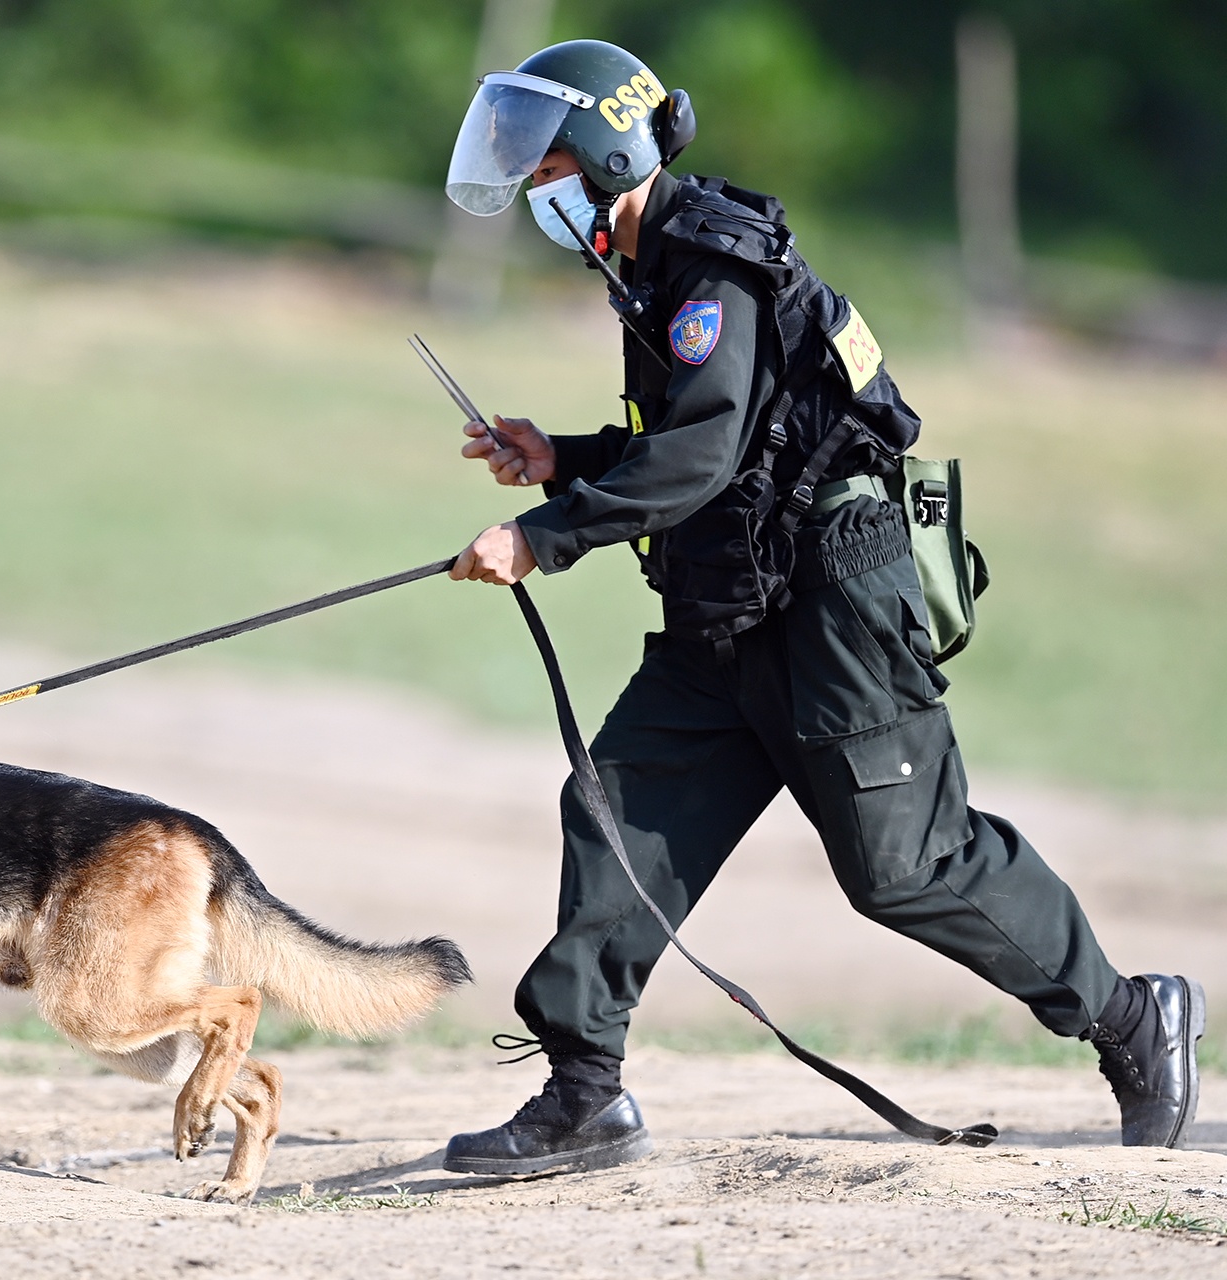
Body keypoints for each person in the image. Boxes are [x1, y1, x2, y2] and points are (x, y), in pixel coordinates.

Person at [435, 38, 1204, 1176]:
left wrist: (541, 539)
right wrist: (565, 456)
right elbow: (722, 441)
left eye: (540, 160)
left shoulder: (712, 267)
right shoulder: (655, 264)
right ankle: (583, 1091)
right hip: (724, 605)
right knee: (615, 812)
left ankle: (1132, 1017)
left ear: (601, 153)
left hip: (832, 608)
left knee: (908, 868)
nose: (531, 188)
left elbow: (698, 455)